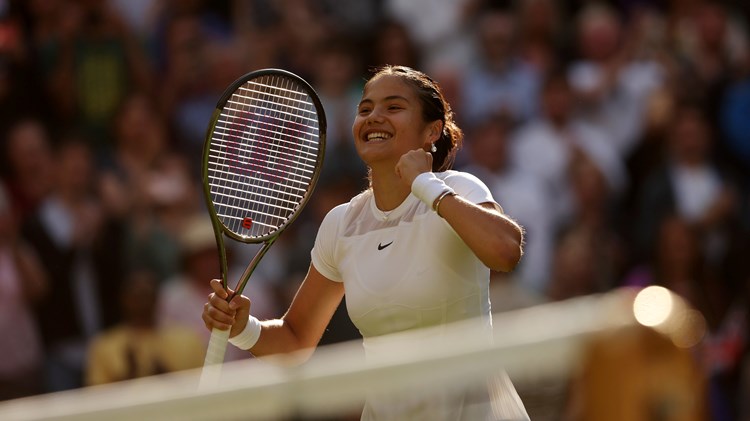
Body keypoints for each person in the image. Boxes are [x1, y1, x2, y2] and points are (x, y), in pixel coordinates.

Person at [202, 65, 528, 420]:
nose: (374, 117)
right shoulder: (341, 224)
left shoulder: (459, 189)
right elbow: (295, 339)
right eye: (365, 108)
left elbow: (506, 251)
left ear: (432, 131)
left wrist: (427, 185)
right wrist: (242, 329)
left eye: (393, 107)